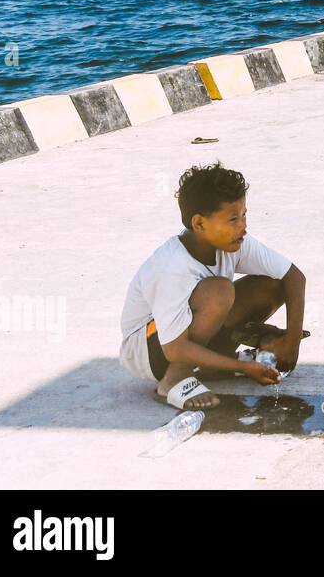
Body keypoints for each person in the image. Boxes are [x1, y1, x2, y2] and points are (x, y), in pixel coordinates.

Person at [119, 164, 306, 410]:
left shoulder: (236, 241)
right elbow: (174, 348)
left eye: (244, 215)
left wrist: (291, 344)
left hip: (185, 337)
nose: (243, 226)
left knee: (271, 284)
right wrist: (244, 367)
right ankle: (173, 380)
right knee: (220, 291)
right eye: (232, 219)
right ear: (199, 224)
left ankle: (212, 365)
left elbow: (294, 277)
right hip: (150, 349)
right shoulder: (172, 266)